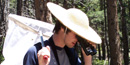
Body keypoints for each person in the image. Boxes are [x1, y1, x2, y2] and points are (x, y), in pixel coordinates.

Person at [23, 2, 102, 65]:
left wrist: (87, 57)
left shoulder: (71, 54)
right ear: (63, 27)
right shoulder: (34, 53)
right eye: (77, 35)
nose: (78, 40)